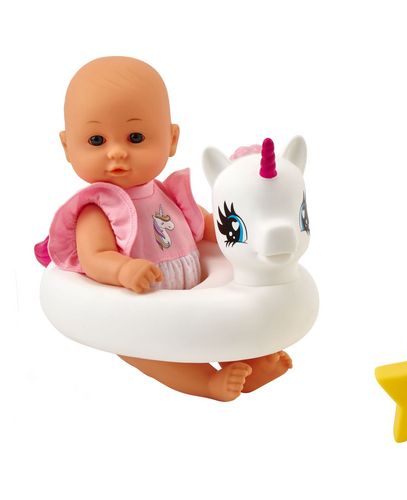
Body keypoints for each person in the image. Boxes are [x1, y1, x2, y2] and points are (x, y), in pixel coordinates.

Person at [38, 56, 292, 401]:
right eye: (97, 140)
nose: (117, 152)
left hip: (195, 292)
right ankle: (207, 383)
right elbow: (95, 257)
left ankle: (252, 363)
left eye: (135, 137)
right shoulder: (97, 209)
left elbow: (206, 226)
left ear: (171, 139)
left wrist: (243, 233)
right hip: (140, 309)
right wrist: (123, 269)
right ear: (68, 146)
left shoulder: (169, 194)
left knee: (217, 326)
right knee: (152, 353)